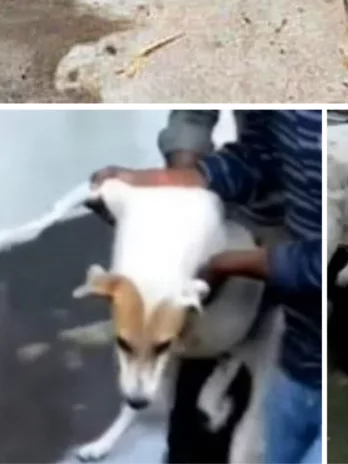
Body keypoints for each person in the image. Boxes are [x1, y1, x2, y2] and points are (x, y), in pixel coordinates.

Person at [95, 109, 322, 464]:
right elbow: (258, 155)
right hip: (293, 331)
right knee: (197, 428)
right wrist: (173, 183)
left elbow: (334, 258)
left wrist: (238, 263)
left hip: (324, 325)